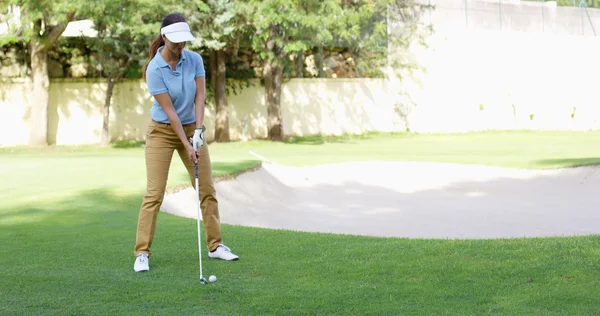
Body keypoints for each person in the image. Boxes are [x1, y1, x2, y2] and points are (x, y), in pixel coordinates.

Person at [133, 13, 239, 273]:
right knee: (154, 194)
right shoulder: (154, 70)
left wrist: (199, 132)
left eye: (184, 41)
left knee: (206, 189)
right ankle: (142, 253)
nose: (181, 46)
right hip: (162, 131)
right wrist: (187, 144)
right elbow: (170, 113)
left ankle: (216, 247)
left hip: (192, 126)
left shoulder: (194, 60)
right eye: (176, 41)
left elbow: (200, 96)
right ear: (165, 36)